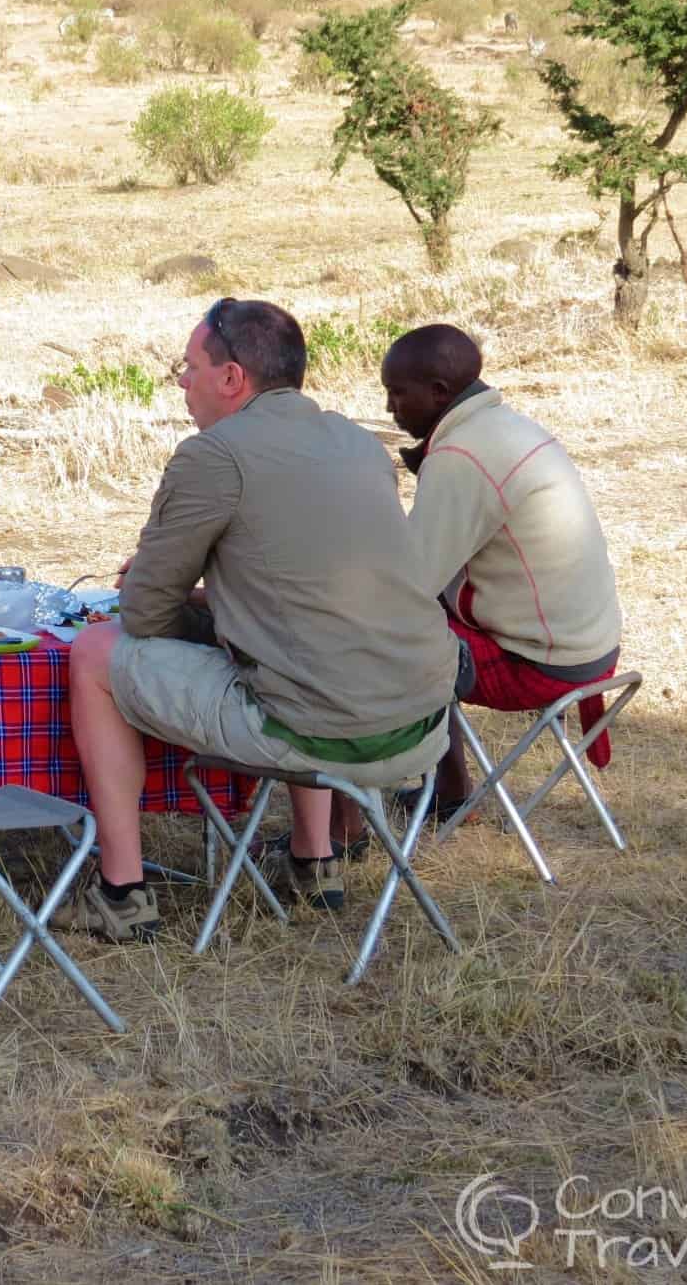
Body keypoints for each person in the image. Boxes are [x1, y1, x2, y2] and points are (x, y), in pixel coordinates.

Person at [56, 300, 459, 939]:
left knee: (96, 655)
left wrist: (202, 611)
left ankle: (121, 890)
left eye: (187, 367)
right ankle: (313, 861)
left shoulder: (212, 456)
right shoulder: (358, 443)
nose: (182, 382)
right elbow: (313, 594)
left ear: (232, 378)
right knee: (299, 645)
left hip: (323, 727)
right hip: (421, 727)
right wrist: (221, 606)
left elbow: (144, 613)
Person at [381, 324, 623, 818]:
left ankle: (381, 805)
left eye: (397, 394)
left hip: (539, 663)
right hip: (589, 649)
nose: (390, 409)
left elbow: (409, 585)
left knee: (383, 637)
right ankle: (447, 789)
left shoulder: (460, 454)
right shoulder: (505, 426)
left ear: (439, 393)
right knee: (413, 628)